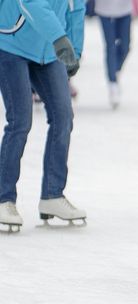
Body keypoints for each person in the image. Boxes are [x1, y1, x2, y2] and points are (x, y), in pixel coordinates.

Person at [0, 0, 87, 233]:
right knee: (20, 121)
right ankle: (3, 198)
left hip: (48, 50)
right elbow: (29, 2)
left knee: (63, 117)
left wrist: (74, 50)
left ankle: (52, 194)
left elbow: (76, 8)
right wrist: (60, 38)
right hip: (10, 43)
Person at [94, 0, 138, 109]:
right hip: (104, 11)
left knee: (125, 47)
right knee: (110, 47)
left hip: (124, 11)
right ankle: (112, 83)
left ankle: (115, 70)